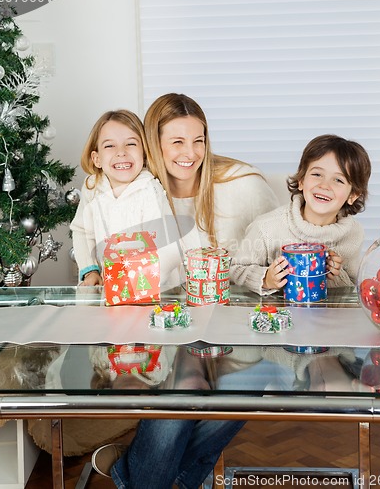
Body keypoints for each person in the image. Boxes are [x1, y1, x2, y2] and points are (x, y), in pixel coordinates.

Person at [92, 93, 279, 489]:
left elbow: (272, 258)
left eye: (199, 140)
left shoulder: (243, 186)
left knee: (247, 387)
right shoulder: (136, 189)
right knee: (185, 395)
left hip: (233, 322)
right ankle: (173, 475)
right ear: (153, 145)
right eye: (176, 141)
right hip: (160, 325)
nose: (190, 153)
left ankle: (137, 473)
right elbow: (106, 253)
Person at [230, 133, 372, 295]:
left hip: (326, 316)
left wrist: (334, 276)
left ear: (353, 195)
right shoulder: (266, 228)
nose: (324, 185)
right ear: (302, 180)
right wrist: (266, 279)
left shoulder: (353, 233)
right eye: (317, 174)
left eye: (338, 180)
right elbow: (236, 270)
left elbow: (351, 289)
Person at [70, 109, 182, 288]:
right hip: (108, 289)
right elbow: (82, 231)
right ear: (97, 158)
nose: (121, 152)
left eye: (130, 144)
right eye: (109, 146)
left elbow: (168, 248)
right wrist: (91, 271)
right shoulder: (92, 187)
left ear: (143, 154)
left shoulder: (149, 190)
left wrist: (136, 282)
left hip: (151, 290)